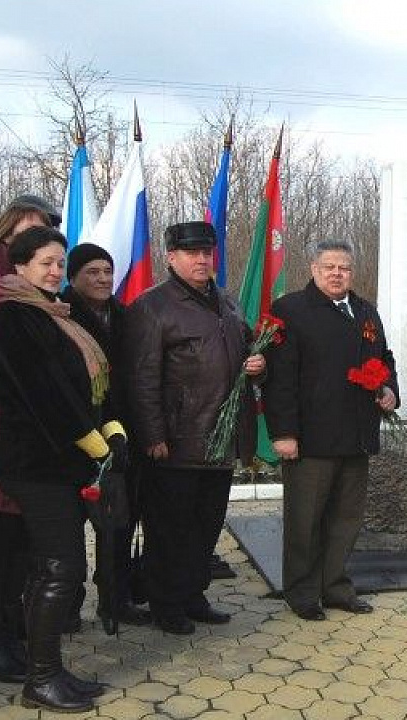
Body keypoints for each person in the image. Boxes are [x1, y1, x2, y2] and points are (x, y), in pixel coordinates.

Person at [0, 226, 125, 712]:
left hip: (60, 464)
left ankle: (51, 669)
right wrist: (90, 440)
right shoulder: (13, 319)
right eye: (45, 262)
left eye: (60, 262)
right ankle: (40, 679)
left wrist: (111, 429)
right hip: (33, 463)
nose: (55, 271)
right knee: (60, 567)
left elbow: (86, 388)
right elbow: (42, 396)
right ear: (19, 266)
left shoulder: (57, 317)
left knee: (56, 566)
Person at [122, 221, 265, 635]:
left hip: (220, 439)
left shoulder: (228, 302)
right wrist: (152, 436)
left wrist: (258, 366)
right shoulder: (152, 307)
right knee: (170, 530)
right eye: (192, 253)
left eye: (207, 252)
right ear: (171, 257)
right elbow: (140, 379)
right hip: (176, 441)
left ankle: (192, 594)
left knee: (205, 527)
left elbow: (246, 355)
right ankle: (165, 603)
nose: (202, 260)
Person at [264, 239, 398, 621]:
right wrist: (283, 433)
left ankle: (335, 586)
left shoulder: (365, 311)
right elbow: (280, 379)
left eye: (344, 268)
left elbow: (384, 358)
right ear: (313, 269)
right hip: (310, 439)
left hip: (356, 435)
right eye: (329, 267)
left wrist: (389, 390)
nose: (338, 274)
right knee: (305, 520)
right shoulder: (291, 310)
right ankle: (302, 592)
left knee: (346, 518)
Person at [0, 194, 62, 683]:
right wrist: (26, 405)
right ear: (6, 234)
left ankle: (10, 634)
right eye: (25, 229)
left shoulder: (35, 293)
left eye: (43, 229)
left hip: (30, 441)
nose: (33, 234)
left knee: (19, 552)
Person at [58, 242, 153, 631]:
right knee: (67, 530)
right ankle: (65, 606)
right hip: (72, 435)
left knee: (118, 522)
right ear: (73, 277)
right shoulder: (62, 315)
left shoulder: (124, 315)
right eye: (92, 272)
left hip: (119, 434)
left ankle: (115, 599)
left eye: (107, 272)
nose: (102, 279)